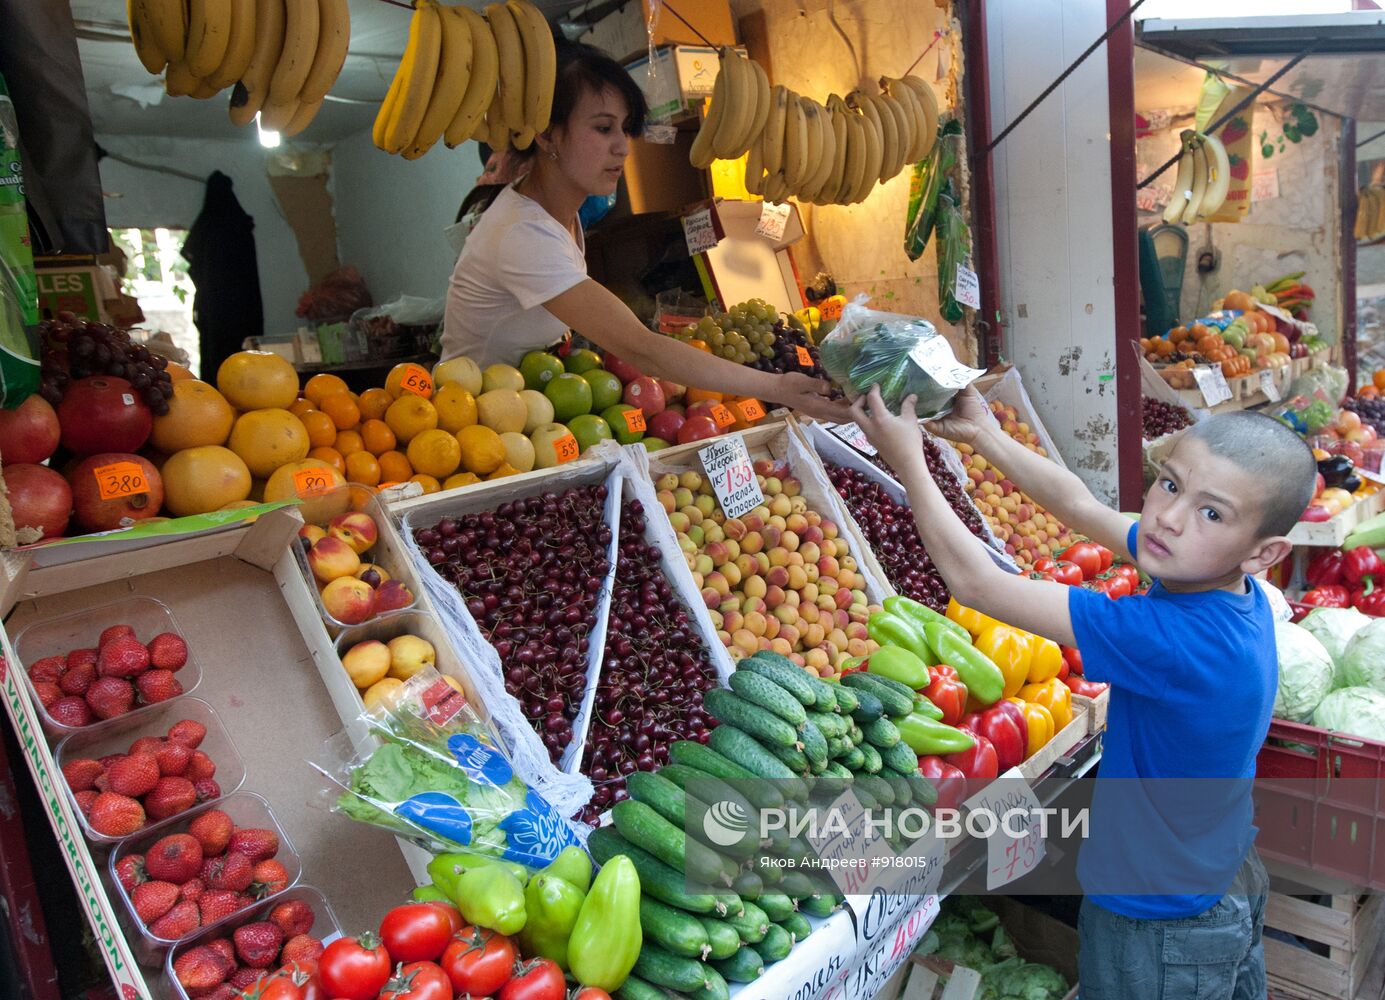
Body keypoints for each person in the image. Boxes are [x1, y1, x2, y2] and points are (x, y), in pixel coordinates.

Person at [851, 385, 1316, 1000]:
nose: (1170, 517)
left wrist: (907, 459)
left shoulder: (1174, 637)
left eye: (1212, 512)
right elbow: (1080, 506)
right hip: (1220, 873)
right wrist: (988, 435)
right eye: (1170, 484)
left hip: (1156, 919)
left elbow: (977, 584)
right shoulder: (1224, 588)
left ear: (1265, 552)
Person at [443, 42, 848, 423]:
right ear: (547, 133)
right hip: (475, 430)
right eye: (603, 128)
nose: (622, 146)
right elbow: (643, 348)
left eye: (624, 128)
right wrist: (779, 386)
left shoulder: (559, 215)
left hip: (524, 417)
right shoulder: (523, 234)